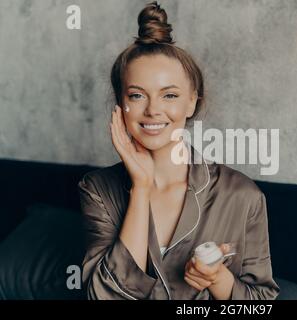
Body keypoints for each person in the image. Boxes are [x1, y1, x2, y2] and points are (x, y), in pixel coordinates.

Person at [78, 1, 280, 300]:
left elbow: (260, 303)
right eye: (137, 95)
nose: (153, 110)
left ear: (192, 102)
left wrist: (218, 279)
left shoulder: (242, 196)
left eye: (169, 95)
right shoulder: (97, 190)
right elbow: (105, 296)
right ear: (121, 104)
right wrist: (142, 188)